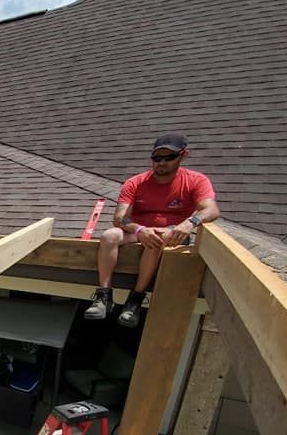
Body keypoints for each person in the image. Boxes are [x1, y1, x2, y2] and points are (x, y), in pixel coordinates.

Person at [84, 133, 220, 327]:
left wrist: (190, 223)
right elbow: (120, 218)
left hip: (171, 233)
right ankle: (103, 296)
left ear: (183, 155)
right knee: (108, 235)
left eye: (169, 157)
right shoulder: (136, 182)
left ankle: (136, 299)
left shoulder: (195, 180)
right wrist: (140, 230)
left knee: (157, 239)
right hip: (140, 230)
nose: (161, 163)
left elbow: (212, 209)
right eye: (157, 158)